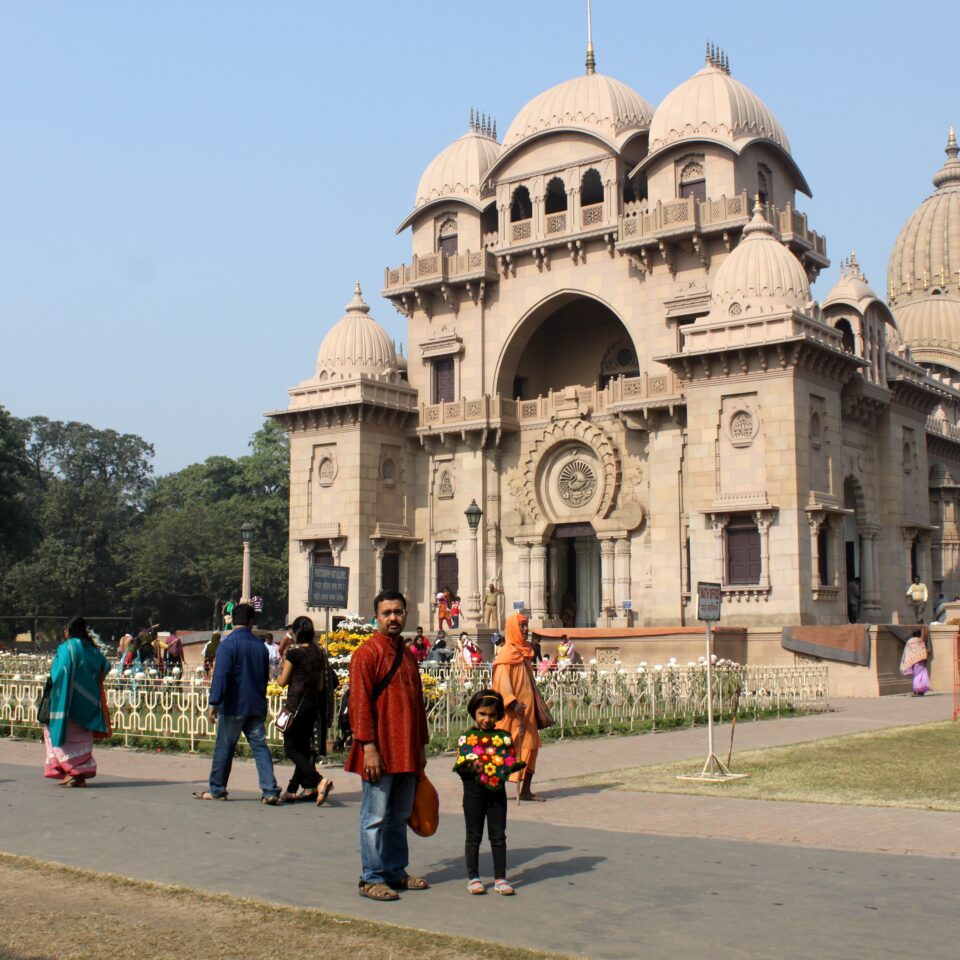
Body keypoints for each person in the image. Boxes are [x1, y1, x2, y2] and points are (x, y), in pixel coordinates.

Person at [348, 589, 430, 902]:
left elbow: (417, 706)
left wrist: (421, 747)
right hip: (379, 750)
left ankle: (395, 870)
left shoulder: (408, 656)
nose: (393, 617)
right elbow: (359, 705)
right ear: (377, 617)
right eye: (387, 613)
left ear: (406, 615)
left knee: (399, 815)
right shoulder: (367, 654)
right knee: (374, 817)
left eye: (398, 612)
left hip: (406, 748)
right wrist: (368, 746)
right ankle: (371, 878)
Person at [194, 603, 281, 803]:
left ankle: (217, 788)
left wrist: (214, 702)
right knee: (260, 747)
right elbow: (263, 677)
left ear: (233, 620)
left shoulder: (228, 645)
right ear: (251, 622)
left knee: (224, 747)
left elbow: (221, 676)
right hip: (255, 704)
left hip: (233, 705)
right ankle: (269, 790)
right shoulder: (260, 646)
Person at [453, 689, 525, 896]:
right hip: (473, 793)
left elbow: (508, 760)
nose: (487, 719)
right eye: (482, 714)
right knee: (473, 835)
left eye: (492, 715)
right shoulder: (467, 738)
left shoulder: (503, 738)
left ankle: (500, 878)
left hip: (497, 795)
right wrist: (475, 767)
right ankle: (473, 877)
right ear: (474, 713)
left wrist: (512, 765)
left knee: (498, 836)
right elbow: (462, 765)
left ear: (498, 716)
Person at [43, 616, 111, 787]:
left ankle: (71, 773)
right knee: (81, 736)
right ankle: (77, 775)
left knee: (55, 731)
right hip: (88, 701)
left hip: (69, 700)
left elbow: (59, 672)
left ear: (69, 631)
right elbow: (105, 666)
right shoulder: (91, 648)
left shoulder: (68, 647)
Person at [276, 619, 334, 805]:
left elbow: (282, 681)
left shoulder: (294, 654)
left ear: (297, 633)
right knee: (304, 749)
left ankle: (319, 781)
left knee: (291, 748)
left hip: (296, 706)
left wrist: (280, 669)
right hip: (313, 706)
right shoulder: (319, 653)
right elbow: (320, 684)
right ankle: (292, 790)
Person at [491, 612, 544, 802]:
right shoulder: (507, 653)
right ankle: (494, 789)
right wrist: (512, 702)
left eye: (526, 625)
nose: (525, 629)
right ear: (513, 628)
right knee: (505, 749)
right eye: (521, 626)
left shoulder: (526, 651)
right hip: (512, 712)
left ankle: (526, 790)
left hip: (528, 713)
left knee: (531, 747)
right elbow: (501, 681)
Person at [900, 628, 931, 695]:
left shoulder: (909, 642)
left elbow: (907, 651)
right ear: (919, 635)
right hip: (920, 661)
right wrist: (924, 658)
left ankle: (916, 690)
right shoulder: (920, 641)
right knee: (921, 674)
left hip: (913, 661)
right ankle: (919, 690)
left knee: (916, 675)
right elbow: (923, 650)